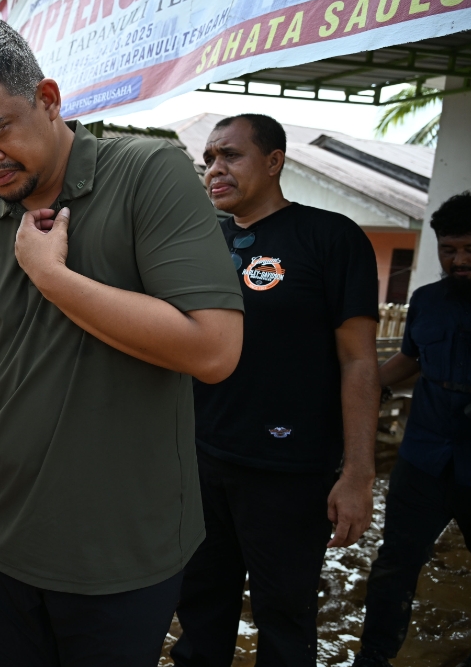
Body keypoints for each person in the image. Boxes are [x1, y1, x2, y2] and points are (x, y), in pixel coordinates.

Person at [0, 19, 244, 665]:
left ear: (49, 99)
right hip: (5, 539)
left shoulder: (148, 175)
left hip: (122, 554)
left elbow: (213, 350)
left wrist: (51, 276)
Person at [173, 114, 379, 667]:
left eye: (230, 156)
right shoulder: (203, 240)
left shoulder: (330, 238)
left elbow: (359, 361)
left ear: (274, 161)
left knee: (285, 619)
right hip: (201, 460)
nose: (215, 168)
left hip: (289, 472)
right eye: (209, 158)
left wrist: (358, 472)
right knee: (198, 611)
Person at [353, 191, 471, 667]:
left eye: (469, 249)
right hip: (422, 458)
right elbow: (410, 358)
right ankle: (373, 658)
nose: (458, 260)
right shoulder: (426, 301)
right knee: (393, 566)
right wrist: (364, 389)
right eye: (449, 249)